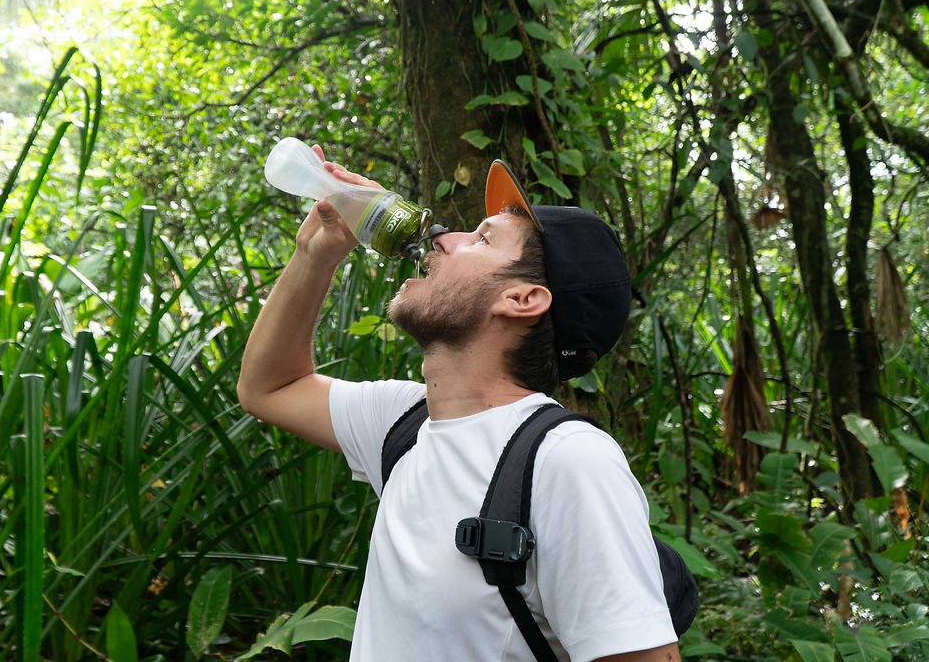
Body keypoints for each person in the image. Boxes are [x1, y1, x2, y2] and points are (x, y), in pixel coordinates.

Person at [237, 145, 680, 662]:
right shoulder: (403, 424)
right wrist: (315, 255)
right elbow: (268, 387)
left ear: (521, 299)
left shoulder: (567, 461)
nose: (442, 239)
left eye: (483, 238)